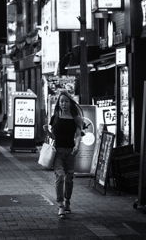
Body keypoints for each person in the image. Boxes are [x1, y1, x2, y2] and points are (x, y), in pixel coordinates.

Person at [44, 90, 83, 218]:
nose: (63, 104)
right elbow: (53, 137)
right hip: (58, 152)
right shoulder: (55, 116)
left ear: (70, 103)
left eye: (66, 101)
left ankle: (67, 201)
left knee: (70, 179)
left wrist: (77, 145)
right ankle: (60, 205)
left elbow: (77, 135)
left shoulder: (76, 118)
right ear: (58, 103)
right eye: (61, 101)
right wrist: (47, 132)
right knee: (60, 176)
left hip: (71, 152)